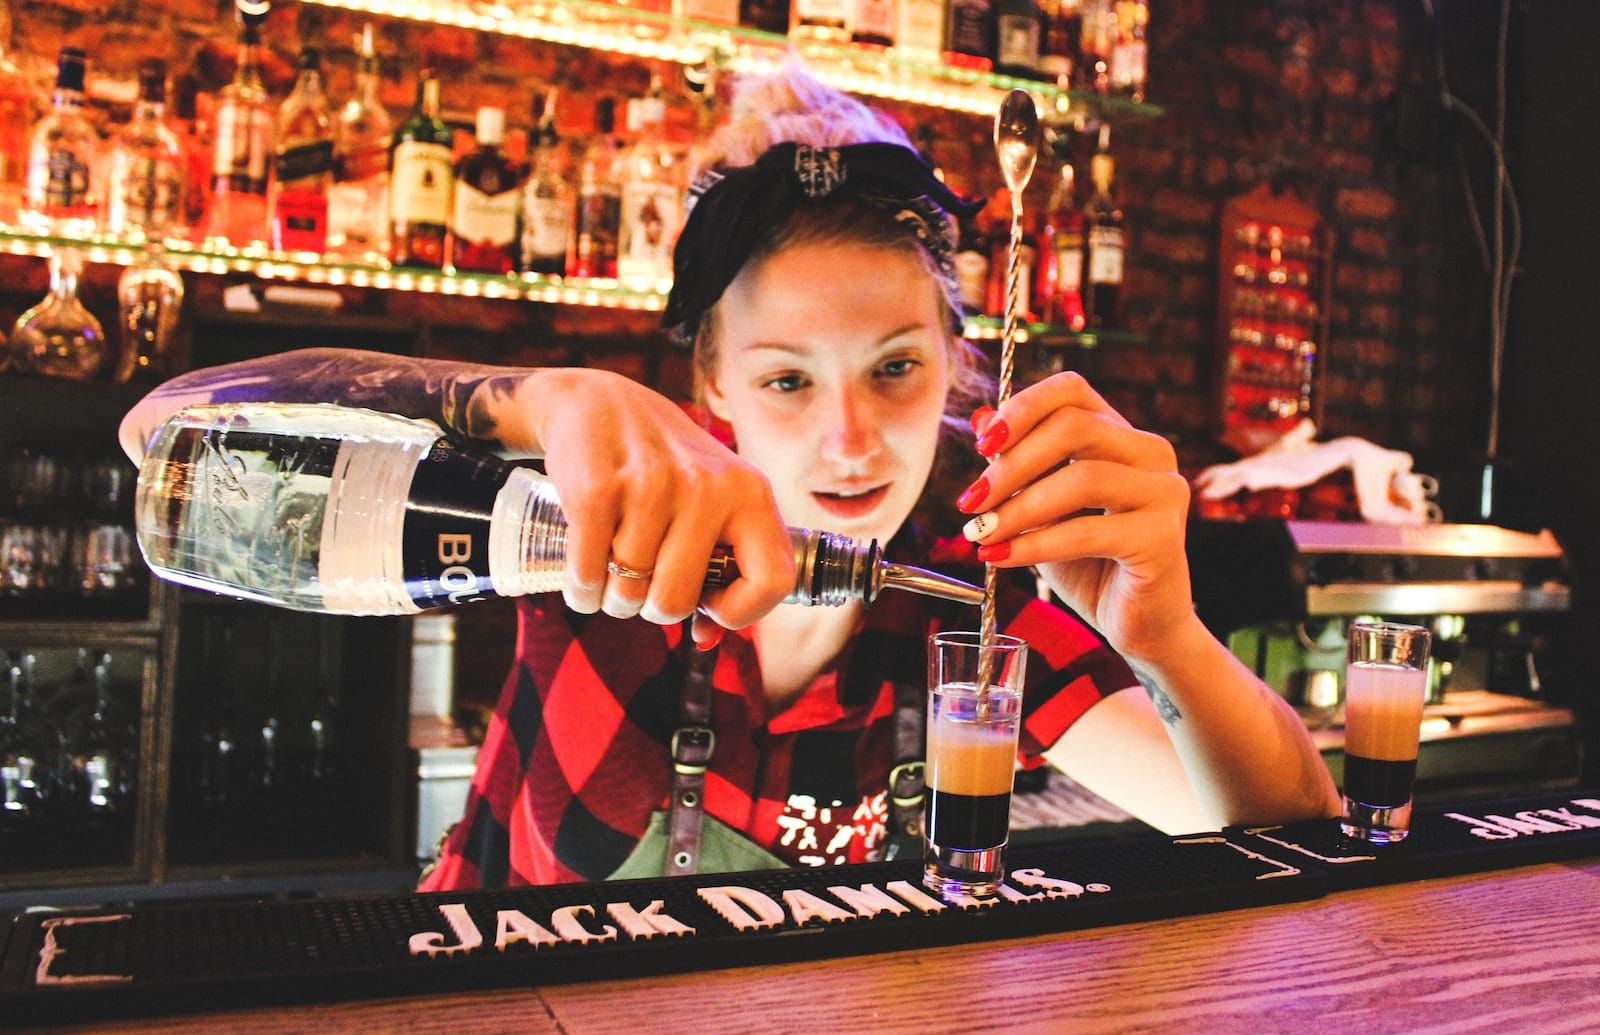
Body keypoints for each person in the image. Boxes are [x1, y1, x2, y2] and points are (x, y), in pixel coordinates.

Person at [120, 66, 1340, 888]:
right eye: (788, 381)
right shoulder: (599, 511)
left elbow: (1294, 838)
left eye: (898, 368)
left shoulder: (970, 590)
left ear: (961, 367)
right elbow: (163, 436)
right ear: (709, 380)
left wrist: (1166, 631)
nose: (853, 440)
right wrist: (525, 399)